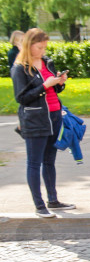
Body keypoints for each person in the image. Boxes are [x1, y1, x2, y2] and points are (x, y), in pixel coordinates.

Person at [11, 28, 73, 218]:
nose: (43, 51)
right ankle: (39, 205)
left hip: (54, 115)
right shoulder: (20, 68)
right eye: (40, 47)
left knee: (49, 161)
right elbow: (22, 98)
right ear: (29, 45)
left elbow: (55, 91)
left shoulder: (47, 63)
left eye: (45, 47)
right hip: (35, 119)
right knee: (34, 162)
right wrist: (45, 86)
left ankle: (53, 199)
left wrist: (60, 82)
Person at [8, 30, 24, 137]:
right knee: (23, 102)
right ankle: (21, 126)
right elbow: (16, 66)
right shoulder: (13, 52)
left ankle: (21, 126)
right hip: (19, 79)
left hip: (23, 78)